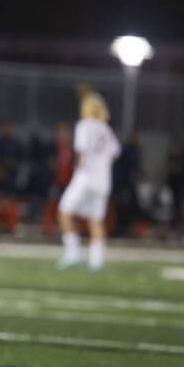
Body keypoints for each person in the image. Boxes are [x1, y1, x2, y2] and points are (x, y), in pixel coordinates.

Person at [57, 87, 121, 270]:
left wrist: (82, 166)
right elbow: (115, 152)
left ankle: (72, 253)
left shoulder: (84, 125)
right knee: (96, 219)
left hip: (86, 176)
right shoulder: (105, 129)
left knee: (64, 211)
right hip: (102, 180)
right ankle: (96, 260)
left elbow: (82, 150)